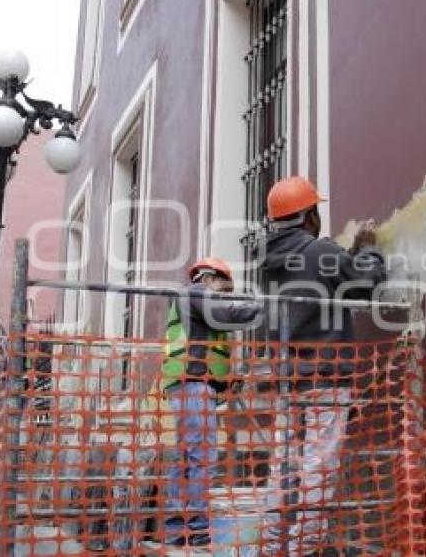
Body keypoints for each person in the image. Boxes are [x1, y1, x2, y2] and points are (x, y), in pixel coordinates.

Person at [260, 176, 386, 554]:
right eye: (315, 210)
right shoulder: (317, 252)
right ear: (307, 215)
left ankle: (270, 548)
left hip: (287, 381)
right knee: (319, 466)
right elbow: (367, 283)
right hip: (324, 378)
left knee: (283, 470)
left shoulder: (269, 262)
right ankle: (304, 549)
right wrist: (368, 251)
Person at [161, 257, 262, 547]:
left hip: (190, 384)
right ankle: (197, 529)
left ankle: (178, 530)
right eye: (225, 288)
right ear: (207, 277)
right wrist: (263, 306)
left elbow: (207, 347)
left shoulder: (195, 303)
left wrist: (226, 380)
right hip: (192, 384)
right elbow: (226, 313)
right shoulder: (195, 293)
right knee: (201, 455)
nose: (227, 296)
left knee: (186, 456)